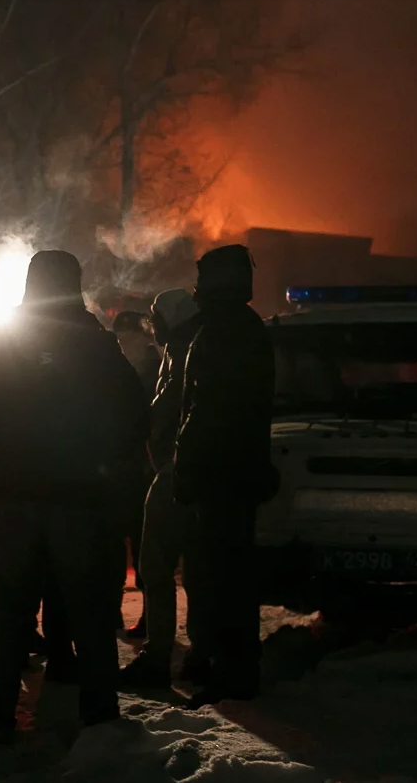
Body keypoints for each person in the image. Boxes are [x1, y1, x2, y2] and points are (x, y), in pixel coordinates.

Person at [0, 250, 149, 742]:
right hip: (81, 500)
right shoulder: (96, 344)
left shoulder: (2, 340)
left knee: (7, 613)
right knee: (90, 611)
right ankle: (99, 710)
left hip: (11, 500)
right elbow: (135, 414)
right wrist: (105, 467)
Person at [174, 245, 277, 708]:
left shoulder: (226, 331)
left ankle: (233, 673)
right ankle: (230, 666)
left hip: (223, 472)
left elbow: (208, 409)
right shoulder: (238, 327)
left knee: (225, 577)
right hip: (232, 469)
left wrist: (187, 464)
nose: (196, 285)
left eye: (202, 276)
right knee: (226, 575)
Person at [119, 288, 208, 689]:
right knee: (193, 569)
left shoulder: (189, 353)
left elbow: (169, 412)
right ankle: (199, 653)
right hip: (182, 471)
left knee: (157, 567)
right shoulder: (184, 350)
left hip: (178, 472)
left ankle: (160, 657)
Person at [110, 311, 161, 638]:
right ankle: (111, 610)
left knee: (147, 551)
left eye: (128, 336)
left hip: (147, 471)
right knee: (113, 545)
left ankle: (151, 618)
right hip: (120, 470)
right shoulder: (118, 369)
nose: (124, 343)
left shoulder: (158, 370)